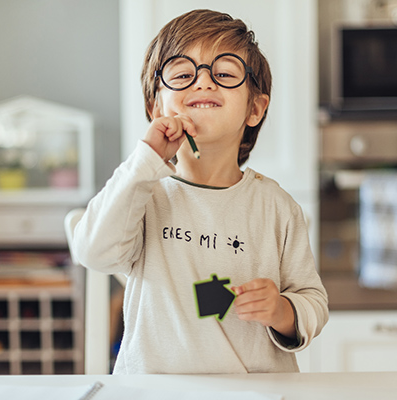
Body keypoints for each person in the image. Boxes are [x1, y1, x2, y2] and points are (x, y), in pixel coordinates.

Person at [72, 9, 328, 374]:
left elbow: (313, 301)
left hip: (256, 391)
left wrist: (283, 311)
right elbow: (91, 251)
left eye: (224, 73)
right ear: (155, 107)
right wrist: (145, 159)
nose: (203, 82)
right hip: (156, 393)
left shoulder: (278, 207)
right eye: (182, 74)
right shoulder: (143, 194)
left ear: (255, 108)